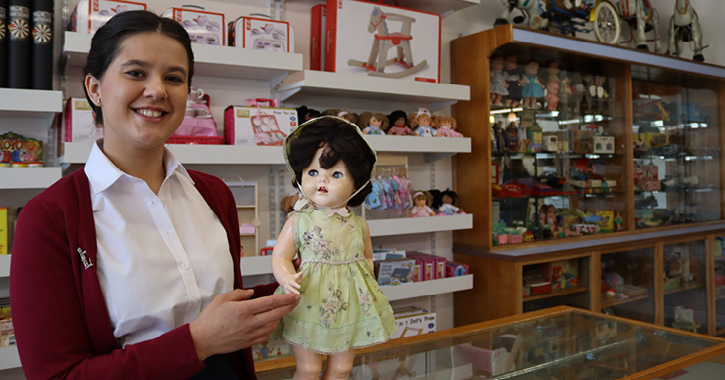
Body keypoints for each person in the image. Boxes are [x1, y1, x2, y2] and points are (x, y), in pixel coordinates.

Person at [9, 10, 299, 380]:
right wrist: (197, 342)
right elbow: (57, 376)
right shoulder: (50, 217)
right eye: (136, 73)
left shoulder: (213, 194)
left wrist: (309, 276)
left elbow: (221, 309)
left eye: (174, 78)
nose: (157, 90)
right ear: (94, 89)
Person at [272, 116, 397, 380]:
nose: (322, 180)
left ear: (357, 183)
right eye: (313, 172)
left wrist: (368, 287)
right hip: (309, 299)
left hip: (351, 304)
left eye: (336, 174)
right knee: (309, 369)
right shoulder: (299, 220)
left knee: (341, 369)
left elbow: (367, 258)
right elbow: (281, 256)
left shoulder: (360, 225)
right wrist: (286, 277)